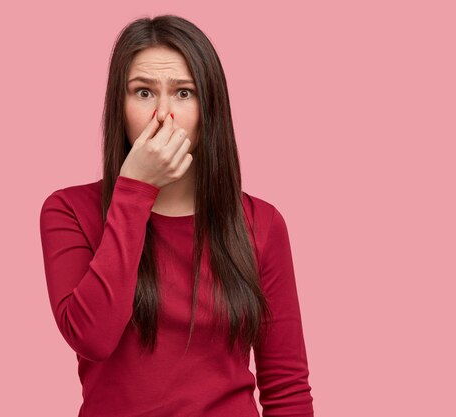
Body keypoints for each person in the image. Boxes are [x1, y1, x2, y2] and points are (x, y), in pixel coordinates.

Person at [39, 14, 315, 417]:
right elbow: (92, 337)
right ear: (120, 104)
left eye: (184, 93)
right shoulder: (67, 210)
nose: (163, 114)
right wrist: (134, 191)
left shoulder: (262, 224)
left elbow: (287, 387)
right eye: (143, 92)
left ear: (210, 106)